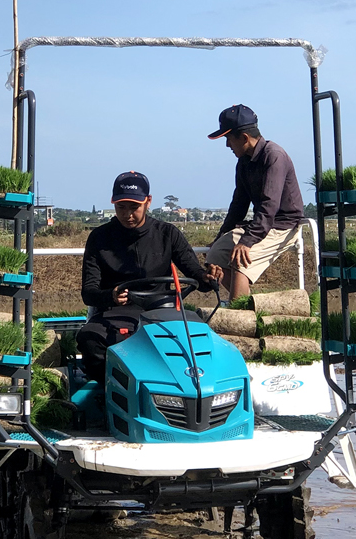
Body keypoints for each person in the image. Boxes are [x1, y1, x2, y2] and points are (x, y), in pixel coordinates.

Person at [76, 171, 219, 383]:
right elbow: (89, 293)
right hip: (116, 312)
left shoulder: (167, 234)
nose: (127, 214)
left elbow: (195, 274)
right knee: (89, 341)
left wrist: (208, 278)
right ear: (113, 203)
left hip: (164, 312)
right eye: (121, 207)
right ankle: (112, 392)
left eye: (134, 207)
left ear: (148, 202)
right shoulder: (99, 238)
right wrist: (111, 296)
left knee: (203, 339)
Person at [204, 104, 305, 300]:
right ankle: (246, 304)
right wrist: (222, 234)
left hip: (283, 225)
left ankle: (239, 318)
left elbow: (269, 206)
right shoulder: (243, 161)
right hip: (264, 223)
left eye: (228, 138)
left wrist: (246, 241)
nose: (227, 145)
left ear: (244, 137)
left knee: (240, 262)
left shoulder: (274, 156)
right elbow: (238, 204)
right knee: (214, 255)